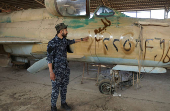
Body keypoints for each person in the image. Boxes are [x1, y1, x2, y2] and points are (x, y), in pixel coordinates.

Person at [46, 23, 89, 111]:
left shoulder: (64, 41)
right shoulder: (52, 43)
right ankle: (53, 107)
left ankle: (63, 103)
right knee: (55, 90)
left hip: (65, 70)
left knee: (64, 88)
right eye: (66, 30)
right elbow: (49, 59)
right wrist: (51, 72)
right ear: (61, 31)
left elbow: (72, 41)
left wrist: (82, 39)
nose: (67, 32)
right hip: (56, 71)